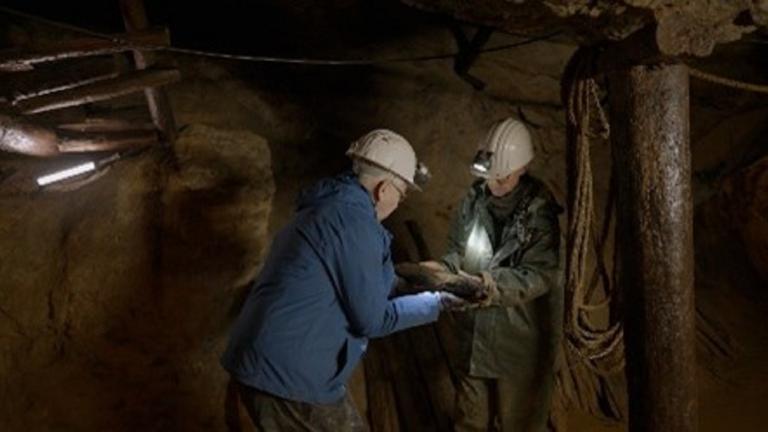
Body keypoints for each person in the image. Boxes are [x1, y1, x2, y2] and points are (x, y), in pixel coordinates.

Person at [221, 129, 470, 431]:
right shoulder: (353, 224)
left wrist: (413, 281)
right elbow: (372, 320)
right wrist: (437, 303)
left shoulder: (331, 207)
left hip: (270, 364)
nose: (399, 203)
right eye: (401, 194)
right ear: (384, 189)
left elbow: (355, 280)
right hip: (286, 376)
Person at [410, 118, 563, 431]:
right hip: (475, 341)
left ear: (523, 168)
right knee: (469, 424)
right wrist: (446, 268)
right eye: (489, 176)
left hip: (519, 346)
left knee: (519, 424)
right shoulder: (474, 199)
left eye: (503, 178)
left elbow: (539, 274)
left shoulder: (540, 213)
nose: (494, 184)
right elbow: (457, 248)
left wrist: (488, 285)